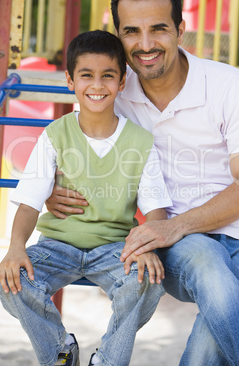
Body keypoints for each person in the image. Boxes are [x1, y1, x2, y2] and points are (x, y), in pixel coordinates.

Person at [46, 0, 239, 365]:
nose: (145, 45)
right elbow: (73, 159)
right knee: (208, 262)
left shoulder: (229, 85)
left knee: (214, 332)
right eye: (132, 31)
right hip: (175, 245)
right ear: (117, 34)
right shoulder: (109, 92)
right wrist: (50, 189)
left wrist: (175, 225)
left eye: (159, 29)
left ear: (180, 30)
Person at [0, 30, 173, 366]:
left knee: (149, 281)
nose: (97, 85)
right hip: (57, 247)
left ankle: (107, 360)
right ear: (70, 80)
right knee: (11, 280)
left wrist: (149, 247)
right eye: (86, 76)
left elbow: (155, 209)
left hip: (114, 249)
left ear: (122, 82)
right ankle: (61, 351)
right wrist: (16, 247)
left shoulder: (139, 141)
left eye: (108, 76)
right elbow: (30, 201)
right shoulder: (56, 134)